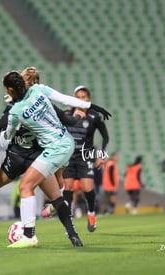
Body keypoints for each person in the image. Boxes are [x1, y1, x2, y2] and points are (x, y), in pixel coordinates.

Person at [0, 67, 81, 238]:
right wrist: (77, 117)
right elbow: (65, 120)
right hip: (36, 157)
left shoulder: (15, 106)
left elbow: (1, 125)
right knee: (57, 198)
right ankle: (72, 233)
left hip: (16, 156)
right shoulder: (42, 101)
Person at [3, 71, 111, 248]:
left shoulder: (15, 111)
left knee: (25, 186)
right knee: (58, 192)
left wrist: (13, 125)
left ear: (10, 90)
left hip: (55, 149)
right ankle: (70, 229)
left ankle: (29, 236)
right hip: (67, 142)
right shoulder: (39, 89)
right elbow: (66, 99)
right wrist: (92, 106)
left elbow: (8, 135)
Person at [43, 85, 109, 233]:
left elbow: (105, 136)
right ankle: (69, 221)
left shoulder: (94, 117)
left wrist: (101, 155)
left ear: (89, 99)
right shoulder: (67, 114)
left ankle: (91, 213)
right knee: (68, 189)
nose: (81, 100)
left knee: (87, 188)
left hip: (85, 157)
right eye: (78, 97)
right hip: (68, 158)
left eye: (84, 97)